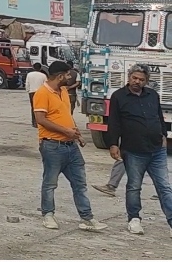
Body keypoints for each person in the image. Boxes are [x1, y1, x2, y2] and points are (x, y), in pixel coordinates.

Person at [32, 60, 107, 231]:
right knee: (50, 182)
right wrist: (67, 132)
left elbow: (66, 116)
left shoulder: (64, 91)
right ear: (59, 76)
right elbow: (41, 120)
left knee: (80, 183)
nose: (69, 77)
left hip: (70, 145)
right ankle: (48, 215)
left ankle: (87, 218)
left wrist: (76, 135)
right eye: (67, 74)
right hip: (52, 145)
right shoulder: (42, 93)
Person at [105, 64, 172, 236]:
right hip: (134, 150)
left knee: (164, 187)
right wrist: (113, 144)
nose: (137, 82)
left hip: (156, 149)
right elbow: (114, 122)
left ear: (146, 81)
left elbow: (158, 116)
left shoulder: (152, 95)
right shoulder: (118, 96)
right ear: (129, 77)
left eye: (141, 80)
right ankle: (134, 219)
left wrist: (163, 135)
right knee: (134, 186)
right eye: (134, 78)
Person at [26, 62, 47, 128]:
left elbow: (27, 84)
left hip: (32, 92)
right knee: (41, 107)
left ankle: (34, 122)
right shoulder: (43, 75)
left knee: (33, 107)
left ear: (33, 67)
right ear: (40, 68)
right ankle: (40, 122)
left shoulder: (29, 74)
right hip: (41, 92)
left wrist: (28, 90)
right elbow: (46, 85)